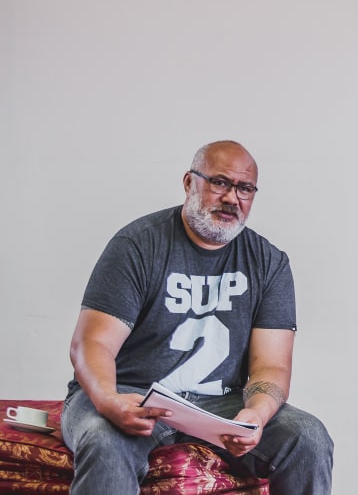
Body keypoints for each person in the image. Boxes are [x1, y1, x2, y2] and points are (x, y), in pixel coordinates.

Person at [62, 140, 334, 494]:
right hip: (132, 394)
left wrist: (258, 414)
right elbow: (92, 343)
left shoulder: (269, 262)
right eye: (220, 182)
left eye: (245, 188)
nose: (232, 198)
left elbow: (272, 366)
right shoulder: (138, 245)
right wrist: (108, 400)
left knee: (308, 437)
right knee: (103, 441)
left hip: (219, 404)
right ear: (190, 183)